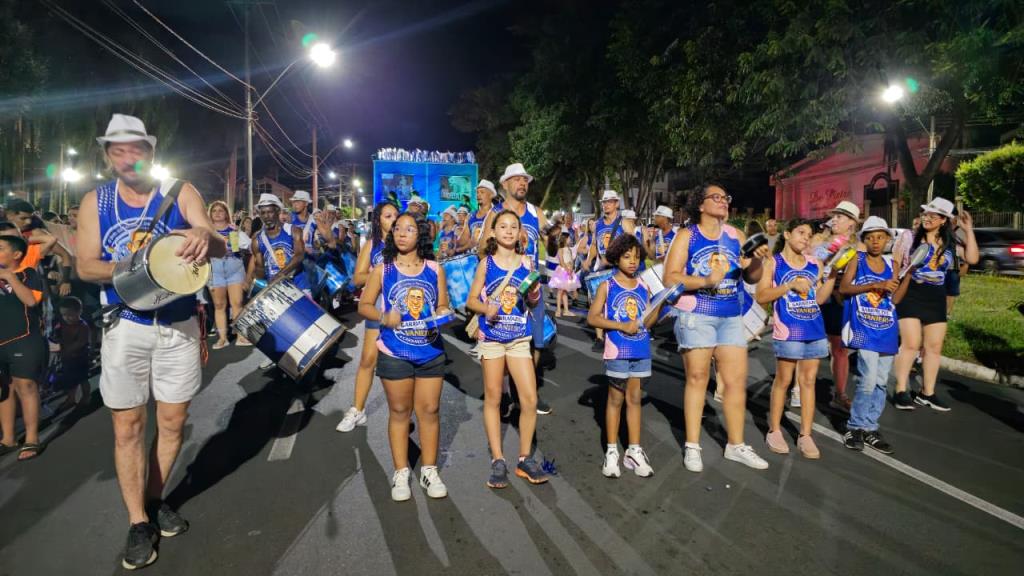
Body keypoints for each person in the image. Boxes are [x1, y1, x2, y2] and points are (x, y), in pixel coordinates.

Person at [75, 114, 226, 570]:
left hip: (179, 324)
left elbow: (219, 244)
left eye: (134, 149)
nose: (127, 158)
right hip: (125, 325)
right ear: (107, 156)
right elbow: (85, 266)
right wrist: (146, 267)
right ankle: (138, 520)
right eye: (117, 151)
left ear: (150, 152)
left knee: (175, 421)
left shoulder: (180, 192)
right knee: (128, 427)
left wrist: (203, 234)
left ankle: (157, 498)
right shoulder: (94, 202)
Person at [663, 183, 771, 472]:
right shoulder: (688, 235)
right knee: (698, 378)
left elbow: (751, 278)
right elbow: (670, 277)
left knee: (735, 382)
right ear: (701, 204)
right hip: (696, 314)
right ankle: (693, 445)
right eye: (716, 197)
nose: (723, 202)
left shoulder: (736, 235)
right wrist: (705, 281)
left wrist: (756, 261)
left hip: (730, 316)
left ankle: (736, 445)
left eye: (726, 197)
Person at [358, 212, 451, 501]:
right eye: (397, 228)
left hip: (430, 352)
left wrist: (442, 315)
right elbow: (364, 305)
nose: (401, 233)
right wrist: (385, 316)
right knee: (400, 413)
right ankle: (400, 472)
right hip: (394, 351)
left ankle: (429, 469)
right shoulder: (383, 269)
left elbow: (444, 306)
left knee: (430, 412)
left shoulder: (434, 269)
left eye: (409, 229)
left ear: (419, 235)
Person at [467, 209, 549, 487]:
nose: (509, 231)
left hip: (518, 339)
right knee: (493, 399)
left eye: (514, 226)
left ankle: (524, 459)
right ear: (493, 232)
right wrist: (486, 308)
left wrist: (535, 294)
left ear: (520, 233)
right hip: (491, 339)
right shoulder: (486, 264)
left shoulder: (527, 264)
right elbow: (471, 301)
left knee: (529, 400)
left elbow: (534, 303)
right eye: (503, 226)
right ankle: (497, 460)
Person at [756, 219, 836, 459]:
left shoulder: (814, 264)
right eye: (801, 232)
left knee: (808, 382)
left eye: (809, 235)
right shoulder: (774, 262)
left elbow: (819, 299)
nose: (805, 238)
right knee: (783, 380)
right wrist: (789, 285)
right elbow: (761, 295)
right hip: (788, 331)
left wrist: (832, 277)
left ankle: (805, 435)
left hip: (814, 329)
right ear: (787, 234)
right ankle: (775, 430)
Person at [479, 163, 553, 415]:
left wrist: (555, 239)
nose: (523, 184)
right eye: (517, 179)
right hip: (503, 290)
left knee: (536, 342)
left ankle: (527, 392)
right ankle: (504, 394)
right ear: (505, 185)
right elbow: (481, 251)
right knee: (504, 340)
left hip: (530, 287)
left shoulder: (536, 212)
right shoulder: (496, 213)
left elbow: (552, 246)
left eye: (525, 180)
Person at [891, 198, 978, 412]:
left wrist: (969, 230)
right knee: (911, 343)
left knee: (934, 347)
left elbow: (973, 259)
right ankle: (901, 390)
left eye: (933, 215)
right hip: (911, 291)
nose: (927, 218)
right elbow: (895, 262)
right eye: (925, 214)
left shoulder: (950, 243)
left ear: (943, 221)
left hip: (936, 296)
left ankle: (927, 393)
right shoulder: (909, 237)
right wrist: (892, 288)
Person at [587, 234, 662, 478]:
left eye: (637, 257)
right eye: (627, 256)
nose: (632, 261)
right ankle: (611, 452)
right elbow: (593, 318)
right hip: (617, 351)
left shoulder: (644, 286)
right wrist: (621, 326)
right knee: (615, 401)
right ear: (616, 257)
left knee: (635, 400)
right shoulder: (607, 286)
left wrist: (660, 304)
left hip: (641, 351)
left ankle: (634, 450)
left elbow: (648, 322)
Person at [840, 216, 910, 453]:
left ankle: (870, 427)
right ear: (864, 241)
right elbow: (844, 289)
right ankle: (855, 426)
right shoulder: (857, 260)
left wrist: (907, 276)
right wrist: (873, 286)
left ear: (888, 239)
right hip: (864, 330)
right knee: (868, 380)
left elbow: (896, 300)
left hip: (887, 330)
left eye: (880, 237)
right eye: (870, 238)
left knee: (881, 382)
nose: (876, 242)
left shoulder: (894, 266)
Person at [336, 201, 400, 433]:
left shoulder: (407, 242)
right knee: (367, 359)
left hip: (404, 309)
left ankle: (404, 414)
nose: (393, 219)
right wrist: (379, 272)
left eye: (395, 215)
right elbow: (358, 278)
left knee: (405, 361)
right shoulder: (372, 245)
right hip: (379, 306)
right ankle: (357, 409)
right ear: (378, 220)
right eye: (387, 215)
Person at [812, 200, 860, 412]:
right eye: (834, 216)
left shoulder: (859, 246)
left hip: (841, 302)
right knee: (810, 345)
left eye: (840, 217)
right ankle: (799, 387)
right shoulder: (819, 241)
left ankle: (840, 394)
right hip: (815, 299)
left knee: (839, 348)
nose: (834, 220)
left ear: (851, 222)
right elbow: (811, 267)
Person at [0, 234, 45, 461]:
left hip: (24, 338)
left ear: (16, 254)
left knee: (25, 386)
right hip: (1, 341)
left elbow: (30, 301)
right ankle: (8, 439)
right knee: (4, 390)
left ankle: (32, 438)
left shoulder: (29, 274)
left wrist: (10, 277)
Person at [5, 199, 73, 295]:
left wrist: (65, 281)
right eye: (23, 218)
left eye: (30, 218)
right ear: (9, 215)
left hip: (33, 285)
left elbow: (65, 255)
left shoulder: (35, 233)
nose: (28, 222)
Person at [583, 190, 624, 349]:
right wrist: (588, 260)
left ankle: (616, 335)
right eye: (604, 202)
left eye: (610, 202)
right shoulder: (599, 224)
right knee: (597, 303)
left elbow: (632, 245)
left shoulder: (623, 223)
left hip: (619, 270)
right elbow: (594, 244)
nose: (606, 205)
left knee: (616, 304)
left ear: (617, 204)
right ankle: (600, 338)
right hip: (601, 270)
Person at [207, 201, 251, 349]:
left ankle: (241, 336)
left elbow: (245, 248)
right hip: (215, 268)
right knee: (219, 305)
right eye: (214, 211)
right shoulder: (206, 231)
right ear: (210, 214)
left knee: (237, 303)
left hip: (234, 266)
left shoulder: (234, 230)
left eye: (221, 210)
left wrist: (236, 244)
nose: (218, 213)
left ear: (227, 213)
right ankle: (222, 338)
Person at [52, 296, 93, 412]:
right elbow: (58, 336)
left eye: (70, 315)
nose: (67, 318)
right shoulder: (63, 324)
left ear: (79, 311)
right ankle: (71, 398)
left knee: (83, 379)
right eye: (64, 315)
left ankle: (86, 397)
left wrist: (66, 349)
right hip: (68, 359)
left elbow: (81, 342)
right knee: (71, 380)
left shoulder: (82, 326)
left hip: (80, 358)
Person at [549, 231, 579, 317]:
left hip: (569, 271)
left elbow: (571, 260)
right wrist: (567, 270)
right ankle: (558, 310)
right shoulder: (560, 249)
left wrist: (572, 268)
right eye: (569, 238)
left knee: (565, 292)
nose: (570, 239)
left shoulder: (569, 249)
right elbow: (562, 261)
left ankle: (566, 310)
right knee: (560, 291)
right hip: (563, 271)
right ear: (565, 239)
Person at [468, 180, 499, 250]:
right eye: (477, 192)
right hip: (473, 257)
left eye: (482, 192)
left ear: (491, 195)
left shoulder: (498, 215)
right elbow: (464, 242)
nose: (478, 195)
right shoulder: (471, 216)